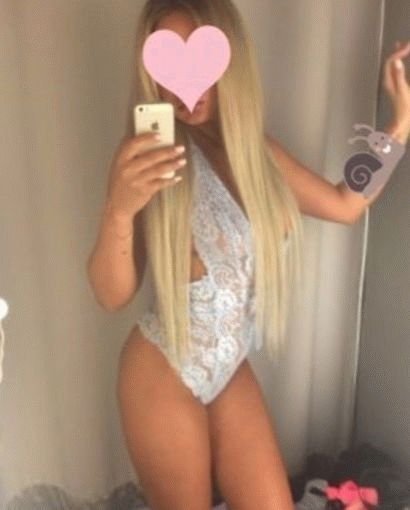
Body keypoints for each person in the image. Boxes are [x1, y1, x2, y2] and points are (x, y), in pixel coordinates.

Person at [87, 0, 410, 508]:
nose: (185, 86)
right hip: (162, 373)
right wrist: (118, 211)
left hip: (228, 366)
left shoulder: (256, 153)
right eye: (168, 67)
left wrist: (399, 125)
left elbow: (345, 203)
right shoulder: (152, 157)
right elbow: (111, 295)